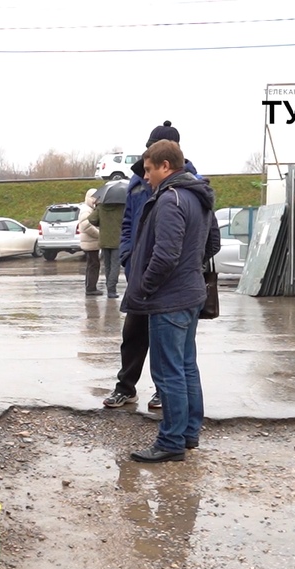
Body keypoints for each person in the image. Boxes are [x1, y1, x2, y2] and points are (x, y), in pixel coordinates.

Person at [122, 140, 220, 462]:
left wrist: (146, 286)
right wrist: (190, 267)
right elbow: (212, 244)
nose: (145, 177)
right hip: (190, 293)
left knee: (167, 372)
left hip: (169, 299)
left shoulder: (169, 199)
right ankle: (189, 433)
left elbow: (165, 255)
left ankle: (171, 441)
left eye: (149, 170)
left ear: (166, 166)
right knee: (186, 366)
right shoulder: (197, 196)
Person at [104, 121, 202, 411]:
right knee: (133, 335)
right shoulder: (137, 182)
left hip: (168, 282)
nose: (146, 173)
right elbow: (127, 223)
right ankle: (126, 387)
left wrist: (181, 267)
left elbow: (201, 239)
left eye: (151, 163)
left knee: (170, 350)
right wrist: (127, 256)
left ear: (168, 160)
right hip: (139, 272)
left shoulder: (188, 185)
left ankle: (166, 400)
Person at [89, 179, 128, 298]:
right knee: (115, 266)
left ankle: (108, 287)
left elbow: (92, 219)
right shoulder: (122, 207)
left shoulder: (101, 206)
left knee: (107, 266)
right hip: (117, 240)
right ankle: (111, 290)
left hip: (104, 240)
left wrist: (101, 224)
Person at [78, 188, 102, 296]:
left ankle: (90, 287)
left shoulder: (88, 209)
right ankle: (91, 288)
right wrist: (99, 235)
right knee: (94, 264)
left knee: (92, 264)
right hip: (90, 242)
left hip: (90, 242)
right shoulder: (86, 210)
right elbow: (86, 226)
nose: (95, 200)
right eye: (94, 198)